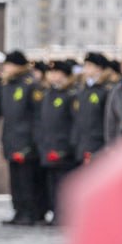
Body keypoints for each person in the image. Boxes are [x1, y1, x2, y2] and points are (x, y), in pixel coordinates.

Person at [0, 51, 44, 225]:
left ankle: (29, 212)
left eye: (9, 65)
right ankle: (18, 211)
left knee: (27, 180)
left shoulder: (30, 85)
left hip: (26, 140)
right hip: (11, 138)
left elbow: (37, 116)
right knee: (16, 180)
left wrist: (33, 141)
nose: (6, 68)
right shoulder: (8, 85)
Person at [35, 60, 78, 220]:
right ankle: (55, 212)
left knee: (63, 184)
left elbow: (75, 123)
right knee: (51, 184)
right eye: (50, 73)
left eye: (56, 72)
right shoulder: (48, 94)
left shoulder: (71, 95)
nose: (52, 76)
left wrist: (69, 146)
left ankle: (64, 214)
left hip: (63, 147)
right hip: (48, 145)